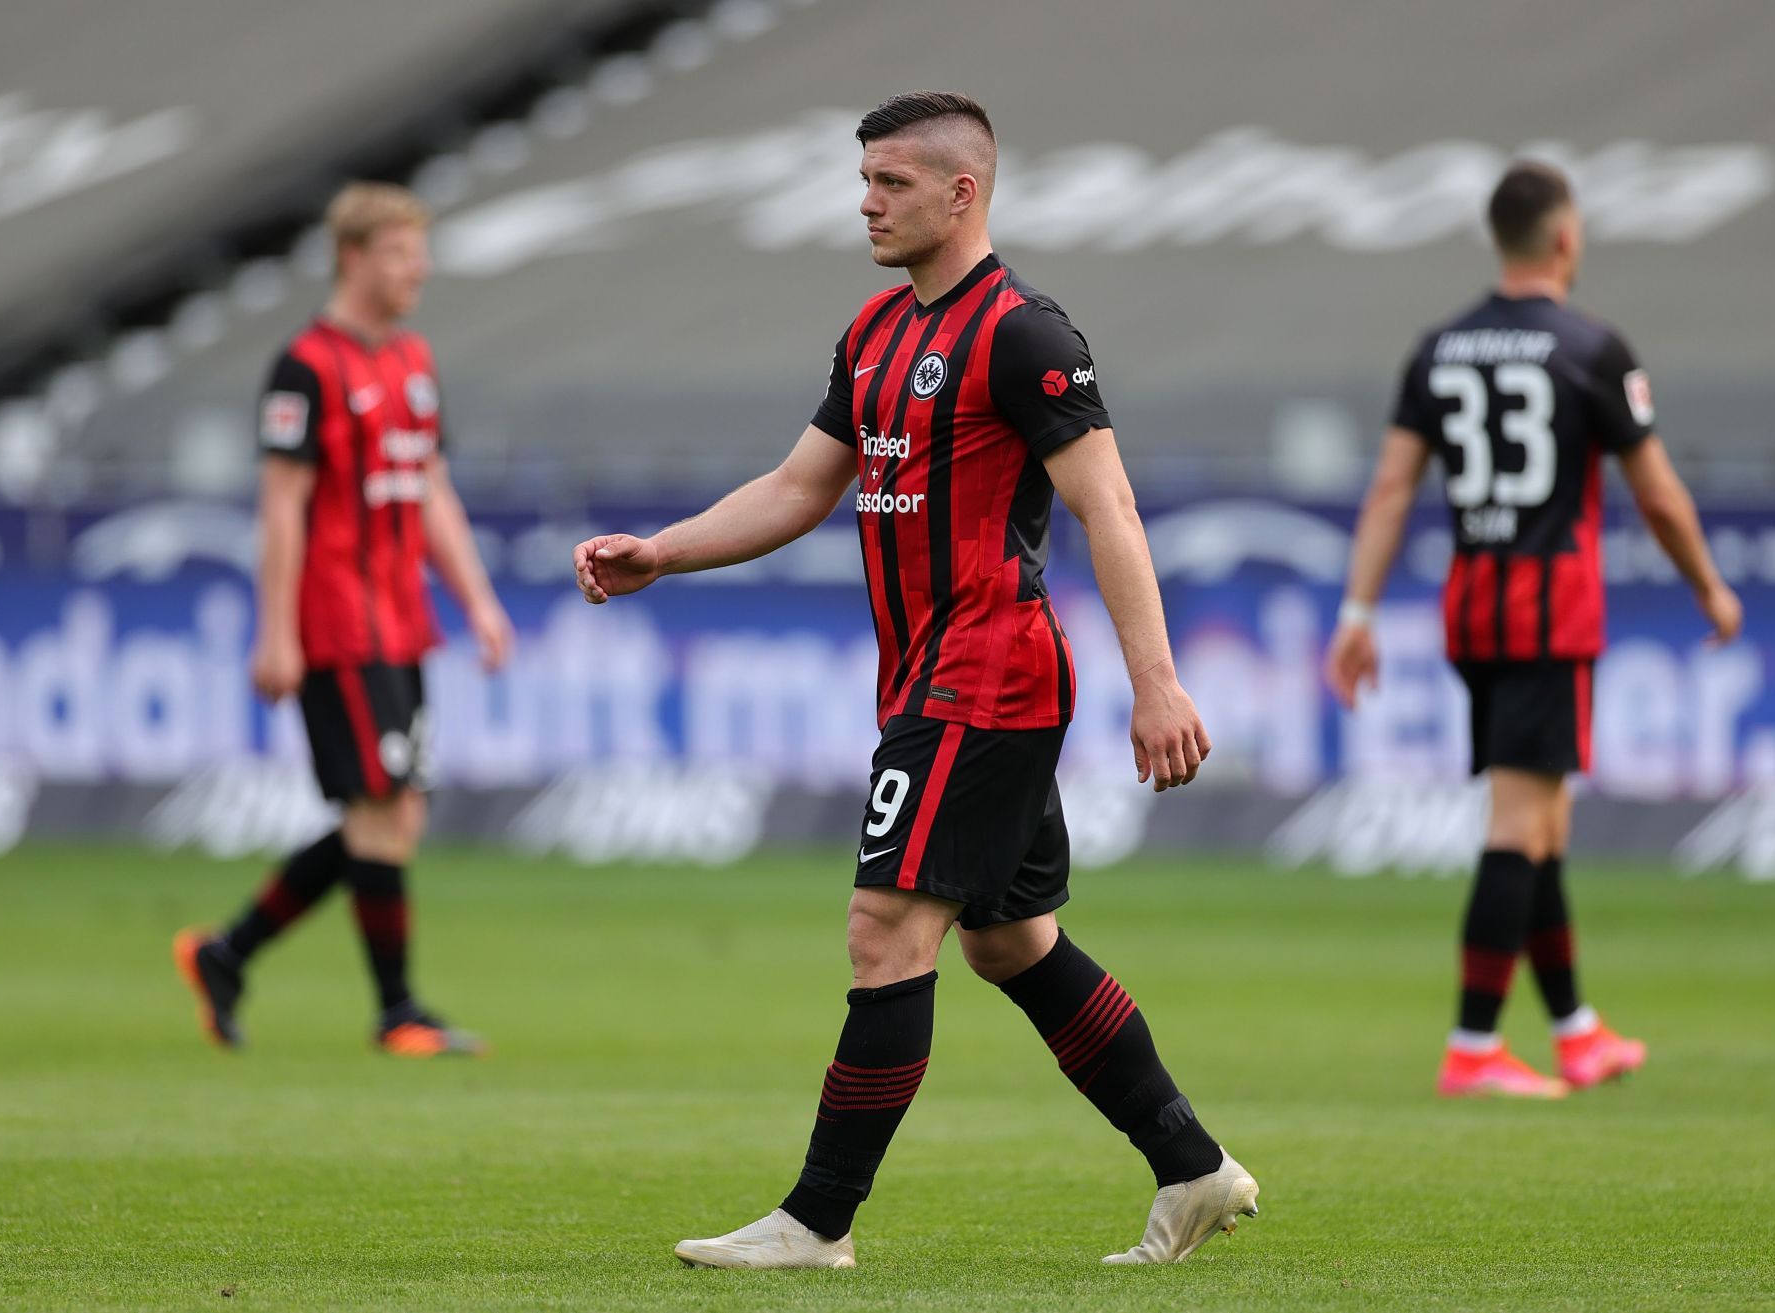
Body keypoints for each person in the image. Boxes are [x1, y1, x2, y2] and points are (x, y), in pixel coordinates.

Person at [574, 91, 1257, 1268]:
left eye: (890, 182)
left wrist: (1158, 682)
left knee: (884, 926)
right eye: (865, 180)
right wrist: (664, 550)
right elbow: (799, 488)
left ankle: (817, 1220)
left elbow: (1110, 505)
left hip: (985, 675)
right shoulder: (876, 335)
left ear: (962, 192)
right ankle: (1193, 1166)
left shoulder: (1026, 335)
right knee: (1010, 942)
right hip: (932, 677)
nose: (865, 202)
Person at [1324, 161, 1743, 1098]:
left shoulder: (1440, 349)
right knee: (1522, 820)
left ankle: (1575, 1029)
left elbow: (1393, 485)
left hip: (1473, 604)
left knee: (1545, 821)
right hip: (1551, 610)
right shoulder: (1592, 349)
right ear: (1564, 238)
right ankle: (1473, 1046)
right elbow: (1660, 494)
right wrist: (1709, 585)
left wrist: (1357, 610)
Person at [173, 182, 513, 1057]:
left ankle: (227, 950)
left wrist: (475, 599)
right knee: (384, 808)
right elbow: (280, 505)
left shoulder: (412, 362)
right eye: (402, 254)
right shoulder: (305, 368)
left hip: (402, 620)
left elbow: (431, 487)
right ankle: (397, 1010)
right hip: (336, 618)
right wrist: (274, 630)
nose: (418, 270)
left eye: (420, 253)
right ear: (354, 257)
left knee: (395, 815)